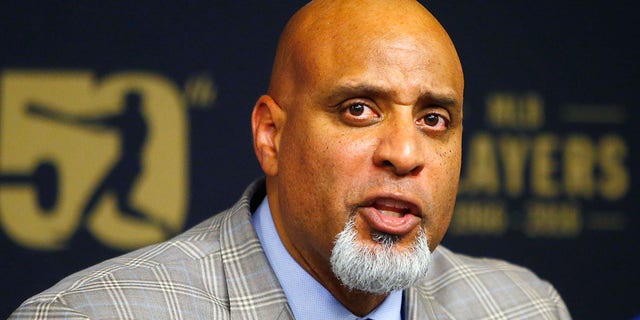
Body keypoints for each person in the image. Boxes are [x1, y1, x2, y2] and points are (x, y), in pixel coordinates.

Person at [10, 0, 571, 319]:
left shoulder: (523, 308)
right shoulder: (93, 317)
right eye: (358, 109)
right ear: (270, 136)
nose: (404, 153)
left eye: (434, 120)